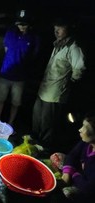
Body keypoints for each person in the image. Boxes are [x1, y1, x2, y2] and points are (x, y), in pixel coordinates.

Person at [32, 17, 86, 155]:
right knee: (37, 117)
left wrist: (71, 80)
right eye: (55, 28)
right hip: (45, 88)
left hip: (56, 92)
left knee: (47, 123)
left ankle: (44, 149)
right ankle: (35, 143)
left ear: (68, 29)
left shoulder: (73, 47)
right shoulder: (59, 44)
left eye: (60, 28)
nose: (56, 31)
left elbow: (79, 67)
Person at [0, 9, 40, 125]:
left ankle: (10, 123)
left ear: (29, 24)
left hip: (20, 78)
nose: (21, 26)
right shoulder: (10, 33)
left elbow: (33, 56)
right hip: (5, 74)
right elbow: (5, 50)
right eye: (19, 24)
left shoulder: (33, 38)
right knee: (0, 99)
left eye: (24, 24)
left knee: (16, 103)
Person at [49, 113, 95, 202]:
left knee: (65, 193)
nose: (80, 130)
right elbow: (72, 155)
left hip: (87, 189)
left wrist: (74, 174)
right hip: (80, 174)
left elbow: (88, 188)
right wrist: (67, 174)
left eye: (86, 128)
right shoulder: (86, 143)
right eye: (83, 126)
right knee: (56, 156)